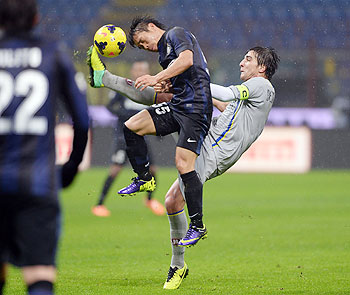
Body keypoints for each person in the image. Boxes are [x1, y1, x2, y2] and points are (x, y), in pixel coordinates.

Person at [87, 45, 280, 289]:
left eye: (248, 59)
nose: (242, 62)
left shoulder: (260, 85)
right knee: (170, 98)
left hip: (213, 151)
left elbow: (226, 93)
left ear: (262, 67)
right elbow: (224, 105)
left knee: (172, 201)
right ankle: (104, 78)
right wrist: (190, 91)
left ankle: (179, 262)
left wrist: (191, 83)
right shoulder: (255, 94)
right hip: (210, 138)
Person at [0, 0, 89, 294]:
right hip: (38, 184)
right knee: (39, 276)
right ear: (37, 18)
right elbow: (82, 120)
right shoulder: (53, 53)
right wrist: (70, 169)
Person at [119, 16, 212, 248]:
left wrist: (156, 77)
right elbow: (181, 76)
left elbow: (187, 60)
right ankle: (144, 178)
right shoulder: (163, 52)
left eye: (143, 41)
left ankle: (198, 225)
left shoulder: (175, 33)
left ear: (151, 27)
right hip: (180, 103)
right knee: (132, 125)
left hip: (196, 106)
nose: (145, 47)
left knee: (183, 163)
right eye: (140, 47)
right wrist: (166, 85)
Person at [91, 61, 165, 217]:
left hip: (141, 137)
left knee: (152, 170)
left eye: (143, 69)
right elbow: (110, 106)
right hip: (123, 137)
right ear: (132, 72)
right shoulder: (125, 89)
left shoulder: (149, 91)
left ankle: (150, 200)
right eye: (137, 69)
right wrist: (126, 114)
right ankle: (99, 204)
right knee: (115, 169)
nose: (140, 72)